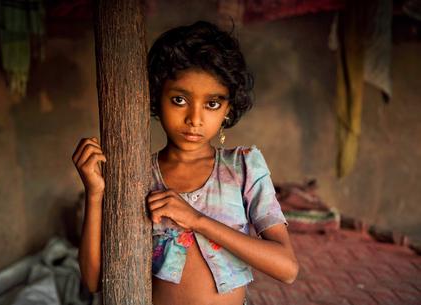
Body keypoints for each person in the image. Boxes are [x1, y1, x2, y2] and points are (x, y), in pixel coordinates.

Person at [72, 21, 298, 305]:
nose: (195, 119)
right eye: (179, 100)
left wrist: (197, 220)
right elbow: (94, 281)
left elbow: (287, 268)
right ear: (155, 97)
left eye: (212, 104)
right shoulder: (138, 175)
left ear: (228, 108)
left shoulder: (243, 168)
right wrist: (95, 193)